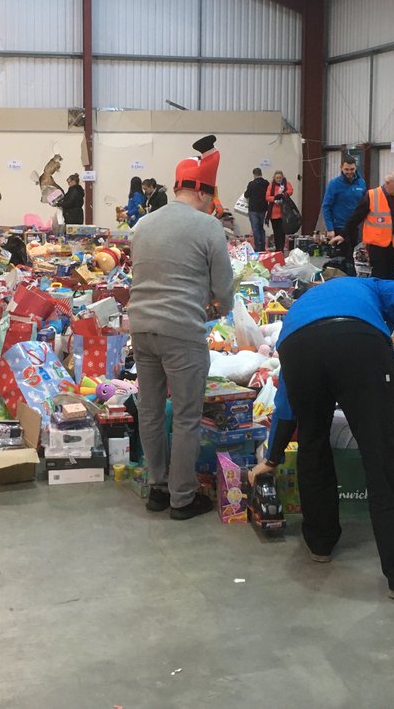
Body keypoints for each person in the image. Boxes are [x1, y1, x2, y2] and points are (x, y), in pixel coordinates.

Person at [249, 275, 394, 600]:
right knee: (381, 453)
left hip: (297, 349)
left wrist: (271, 459)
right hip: (359, 341)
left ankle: (320, 543)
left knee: (313, 444)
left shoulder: (303, 310)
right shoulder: (374, 286)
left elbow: (286, 404)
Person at [129, 135, 235, 520]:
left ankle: (157, 488)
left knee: (152, 412)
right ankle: (183, 497)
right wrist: (217, 308)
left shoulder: (142, 225)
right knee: (188, 416)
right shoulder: (208, 228)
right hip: (181, 331)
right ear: (205, 194)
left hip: (140, 328)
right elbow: (224, 289)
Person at [337, 173, 394, 281]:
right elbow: (356, 217)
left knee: (390, 276)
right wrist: (343, 234)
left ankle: (388, 296)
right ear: (387, 183)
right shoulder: (372, 195)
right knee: (379, 276)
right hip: (376, 245)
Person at [322, 156, 367, 254]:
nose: (349, 172)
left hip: (355, 228)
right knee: (341, 260)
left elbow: (364, 205)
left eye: (352, 169)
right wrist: (330, 228)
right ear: (341, 168)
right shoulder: (334, 184)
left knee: (355, 259)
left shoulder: (361, 183)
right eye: (346, 169)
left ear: (356, 168)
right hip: (339, 228)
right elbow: (326, 206)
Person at [266, 170, 294, 253]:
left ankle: (281, 249)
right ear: (274, 178)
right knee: (276, 232)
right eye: (277, 178)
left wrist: (283, 195)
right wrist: (275, 198)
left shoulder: (286, 184)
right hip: (274, 213)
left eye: (280, 178)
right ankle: (278, 249)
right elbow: (267, 197)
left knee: (282, 232)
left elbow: (290, 191)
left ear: (282, 177)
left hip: (284, 213)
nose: (278, 179)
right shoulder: (271, 186)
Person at [243, 168, 269, 252]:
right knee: (261, 227)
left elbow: (246, 195)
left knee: (255, 228)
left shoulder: (251, 184)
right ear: (261, 173)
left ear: (254, 174)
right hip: (263, 208)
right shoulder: (266, 183)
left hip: (253, 209)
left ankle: (257, 247)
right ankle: (263, 246)